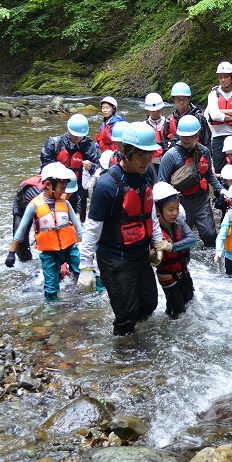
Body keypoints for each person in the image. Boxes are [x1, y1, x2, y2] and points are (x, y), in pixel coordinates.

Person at [77, 123, 166, 337]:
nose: (147, 162)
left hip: (140, 254)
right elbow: (92, 228)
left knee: (149, 304)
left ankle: (139, 342)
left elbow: (150, 209)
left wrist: (157, 241)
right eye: (141, 157)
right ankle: (123, 361)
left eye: (149, 156)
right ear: (126, 152)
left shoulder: (146, 174)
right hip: (115, 258)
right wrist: (85, 267)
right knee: (126, 315)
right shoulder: (107, 185)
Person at [6, 162, 85, 301]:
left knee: (83, 272)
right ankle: (50, 312)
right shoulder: (35, 202)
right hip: (49, 250)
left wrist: (90, 246)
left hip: (69, 246)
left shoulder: (64, 201)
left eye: (67, 189)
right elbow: (21, 229)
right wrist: (11, 252)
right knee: (51, 286)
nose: (64, 192)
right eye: (62, 188)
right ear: (48, 184)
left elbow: (79, 228)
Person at [156, 115, 225, 248]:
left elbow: (209, 174)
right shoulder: (170, 156)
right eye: (183, 136)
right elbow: (161, 183)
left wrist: (221, 190)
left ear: (197, 135)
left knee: (210, 234)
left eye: (190, 136)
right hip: (181, 202)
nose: (186, 139)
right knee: (182, 237)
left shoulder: (204, 151)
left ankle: (211, 263)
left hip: (201, 200)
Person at [40, 113, 101, 222]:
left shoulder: (88, 148)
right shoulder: (55, 144)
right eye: (74, 134)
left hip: (79, 191)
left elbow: (99, 167)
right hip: (57, 189)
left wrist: (91, 166)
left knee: (79, 222)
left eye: (80, 135)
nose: (77, 137)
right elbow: (45, 166)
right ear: (68, 130)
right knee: (54, 221)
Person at [152, 182, 198, 318]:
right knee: (177, 312)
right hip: (168, 277)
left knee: (190, 303)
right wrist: (153, 255)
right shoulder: (154, 231)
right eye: (170, 209)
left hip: (183, 272)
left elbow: (192, 239)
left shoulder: (179, 222)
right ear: (158, 210)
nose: (175, 213)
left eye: (177, 208)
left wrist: (171, 246)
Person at [204, 62, 232, 173]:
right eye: (220, 77)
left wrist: (222, 113)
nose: (223, 80)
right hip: (218, 136)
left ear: (231, 77)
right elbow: (214, 115)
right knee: (219, 168)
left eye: (226, 77)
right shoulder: (213, 95)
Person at [166, 81, 210, 151]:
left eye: (184, 99)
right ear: (173, 100)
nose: (181, 102)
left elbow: (206, 142)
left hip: (196, 155)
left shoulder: (199, 118)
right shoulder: (169, 120)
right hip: (177, 158)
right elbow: (165, 145)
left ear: (188, 100)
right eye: (178, 99)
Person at [11, 173, 43, 262]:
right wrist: (11, 253)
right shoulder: (40, 196)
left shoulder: (66, 187)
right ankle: (26, 262)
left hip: (38, 203)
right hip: (22, 203)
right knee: (21, 241)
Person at [144, 93, 168, 177]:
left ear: (161, 108)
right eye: (152, 110)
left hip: (167, 160)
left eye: (157, 110)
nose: (155, 112)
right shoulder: (144, 126)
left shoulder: (168, 122)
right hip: (151, 162)